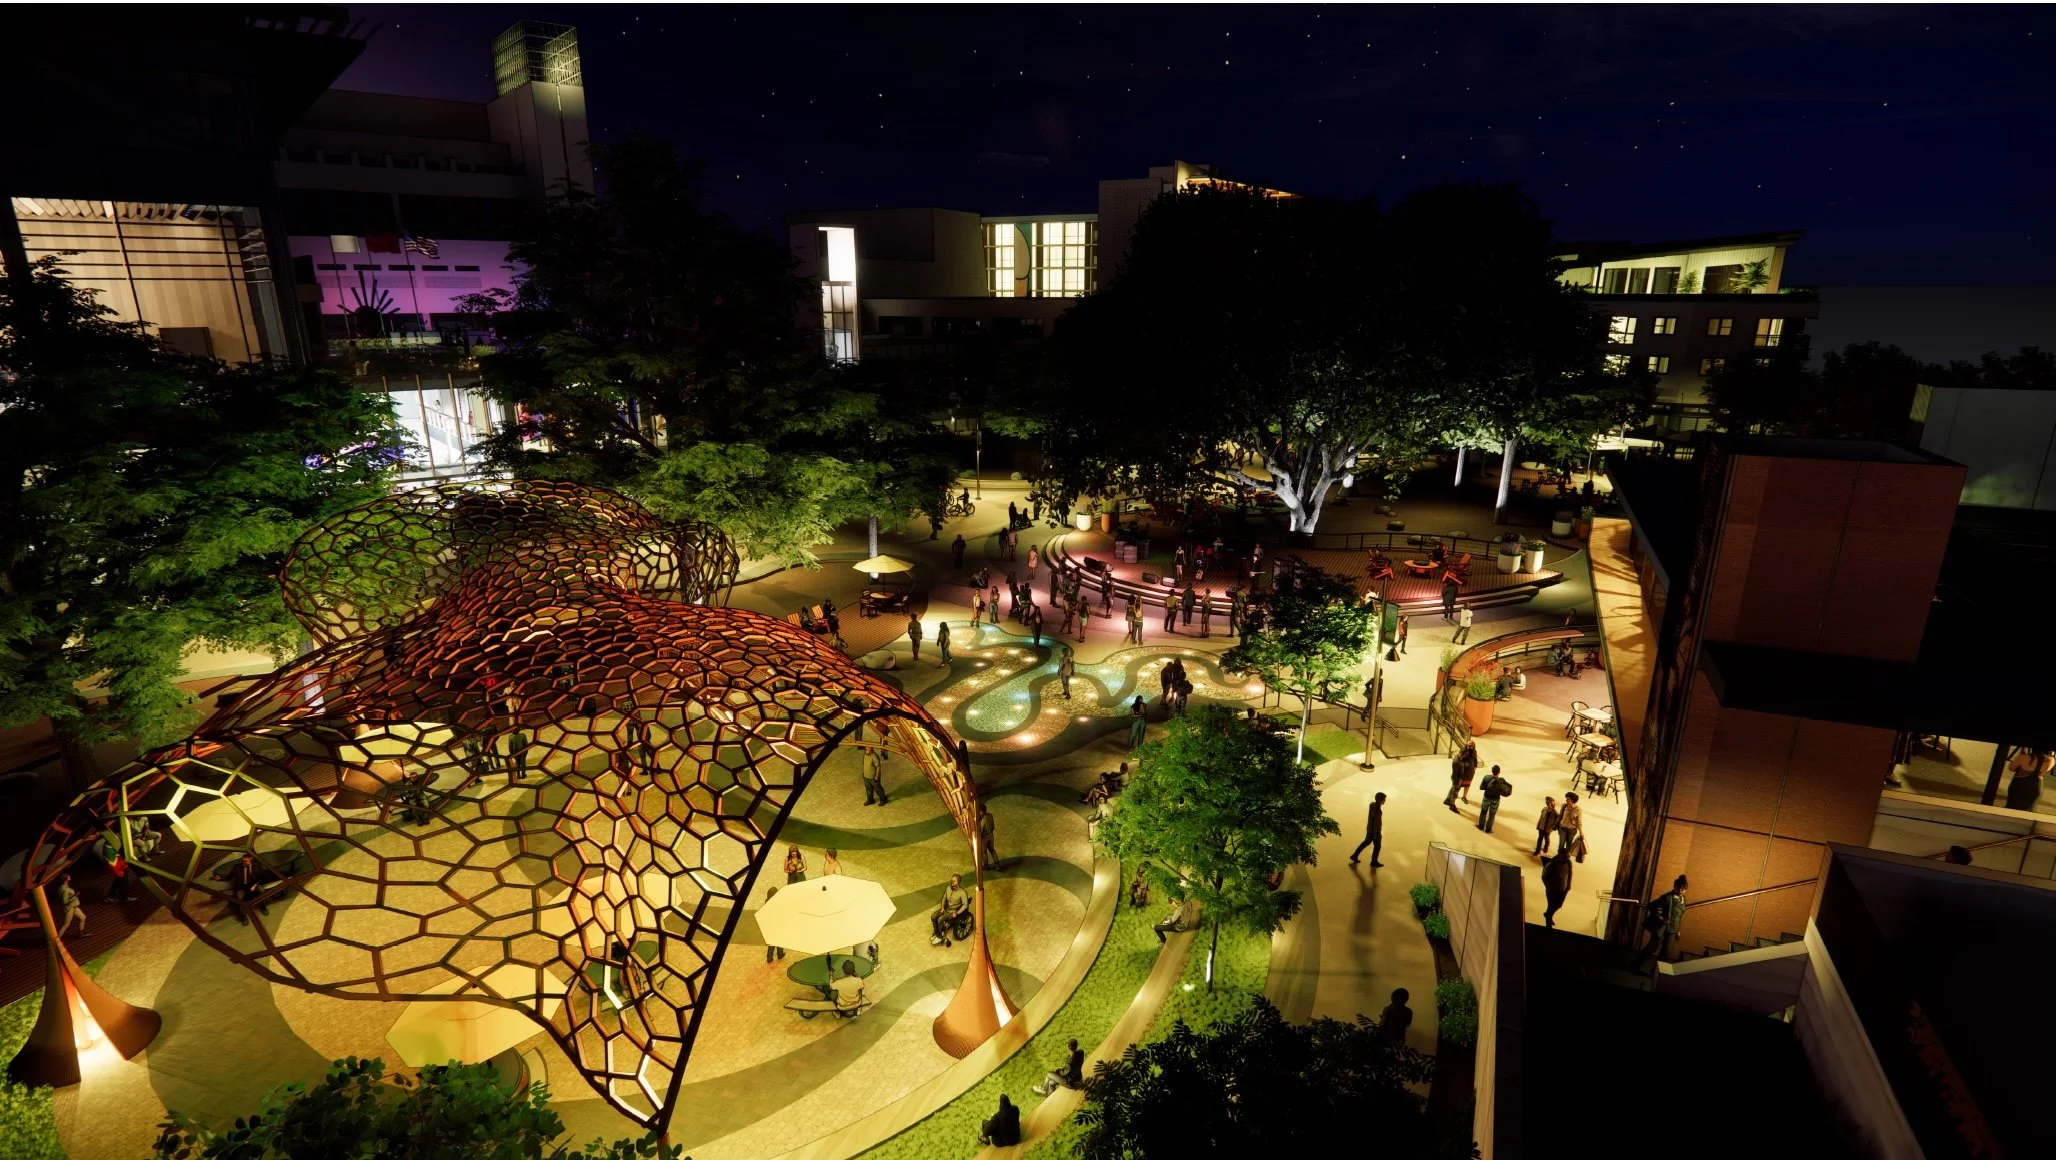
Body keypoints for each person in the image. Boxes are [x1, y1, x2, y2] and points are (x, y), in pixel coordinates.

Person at [1644, 875, 1688, 964]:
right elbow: (1655, 908)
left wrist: (1678, 930)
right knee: (1653, 947)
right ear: (1675, 887)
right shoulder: (1667, 897)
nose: (1680, 891)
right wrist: (1662, 919)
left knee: (1666, 952)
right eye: (1679, 889)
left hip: (1673, 929)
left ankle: (1655, 971)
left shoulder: (1683, 899)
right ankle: (1636, 963)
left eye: (1683, 890)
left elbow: (1679, 916)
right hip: (1662, 927)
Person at [226, 851, 270, 922]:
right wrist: (220, 878)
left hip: (253, 884)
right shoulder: (237, 867)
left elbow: (261, 878)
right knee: (240, 899)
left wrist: (255, 885)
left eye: (246, 861)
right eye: (243, 861)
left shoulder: (257, 866)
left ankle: (263, 907)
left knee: (262, 891)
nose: (244, 862)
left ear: (251, 860)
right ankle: (244, 917)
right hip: (241, 887)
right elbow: (228, 878)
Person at [931, 872, 971, 946]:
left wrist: (957, 913)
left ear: (958, 882)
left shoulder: (962, 893)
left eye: (954, 881)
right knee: (933, 916)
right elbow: (944, 899)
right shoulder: (948, 888)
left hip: (953, 911)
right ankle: (937, 933)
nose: (952, 882)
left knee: (940, 919)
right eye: (952, 880)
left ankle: (939, 937)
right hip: (946, 909)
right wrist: (942, 908)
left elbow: (965, 905)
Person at [1350, 792, 1387, 867]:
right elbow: (1376, 823)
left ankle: (1354, 855)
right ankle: (1374, 862)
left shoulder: (1372, 804)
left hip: (1369, 829)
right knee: (1377, 847)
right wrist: (1375, 835)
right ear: (1381, 800)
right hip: (1375, 832)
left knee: (1365, 843)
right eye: (1384, 799)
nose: (1385, 801)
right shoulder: (1378, 811)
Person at [1542, 847, 1574, 928]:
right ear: (1559, 855)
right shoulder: (1552, 864)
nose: (1567, 858)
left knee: (1559, 905)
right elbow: (1544, 877)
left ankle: (1548, 915)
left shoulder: (1569, 862)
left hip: (1563, 889)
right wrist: (1549, 887)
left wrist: (1569, 885)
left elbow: (1570, 874)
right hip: (1552, 890)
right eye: (1565, 856)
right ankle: (1548, 923)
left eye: (1568, 856)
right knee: (1551, 905)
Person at [1476, 765, 1512, 833]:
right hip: (1496, 800)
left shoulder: (1486, 777)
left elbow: (1481, 787)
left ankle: (1481, 826)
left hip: (1486, 798)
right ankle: (1488, 829)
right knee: (1492, 815)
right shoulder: (1501, 781)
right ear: (1499, 772)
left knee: (1483, 812)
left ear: (1492, 771)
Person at [1444, 742, 1478, 812]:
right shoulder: (1457, 762)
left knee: (1453, 790)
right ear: (1462, 754)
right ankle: (1452, 805)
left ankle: (1447, 800)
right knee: (1455, 793)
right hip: (1457, 779)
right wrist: (1457, 781)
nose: (1465, 756)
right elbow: (1456, 773)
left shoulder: (1459, 760)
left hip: (1458, 778)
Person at [1557, 792, 1583, 857]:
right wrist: (1556, 824)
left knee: (1569, 844)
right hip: (1562, 828)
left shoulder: (1578, 810)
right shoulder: (1564, 806)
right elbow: (1560, 816)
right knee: (1561, 844)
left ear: (1572, 800)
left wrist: (1581, 832)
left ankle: (1566, 857)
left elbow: (1579, 822)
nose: (1566, 800)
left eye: (1568, 799)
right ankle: (1558, 857)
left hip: (1572, 830)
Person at [764, 886, 786, 961]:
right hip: (777, 925)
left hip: (770, 926)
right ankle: (779, 954)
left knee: (772, 942)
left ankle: (769, 957)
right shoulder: (777, 903)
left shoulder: (767, 901)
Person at [977, 803, 998, 869]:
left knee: (984, 852)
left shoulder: (983, 820)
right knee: (992, 850)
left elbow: (980, 831)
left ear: (981, 812)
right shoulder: (990, 815)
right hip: (991, 835)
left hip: (984, 838)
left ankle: (986, 866)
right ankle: (997, 865)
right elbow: (993, 826)